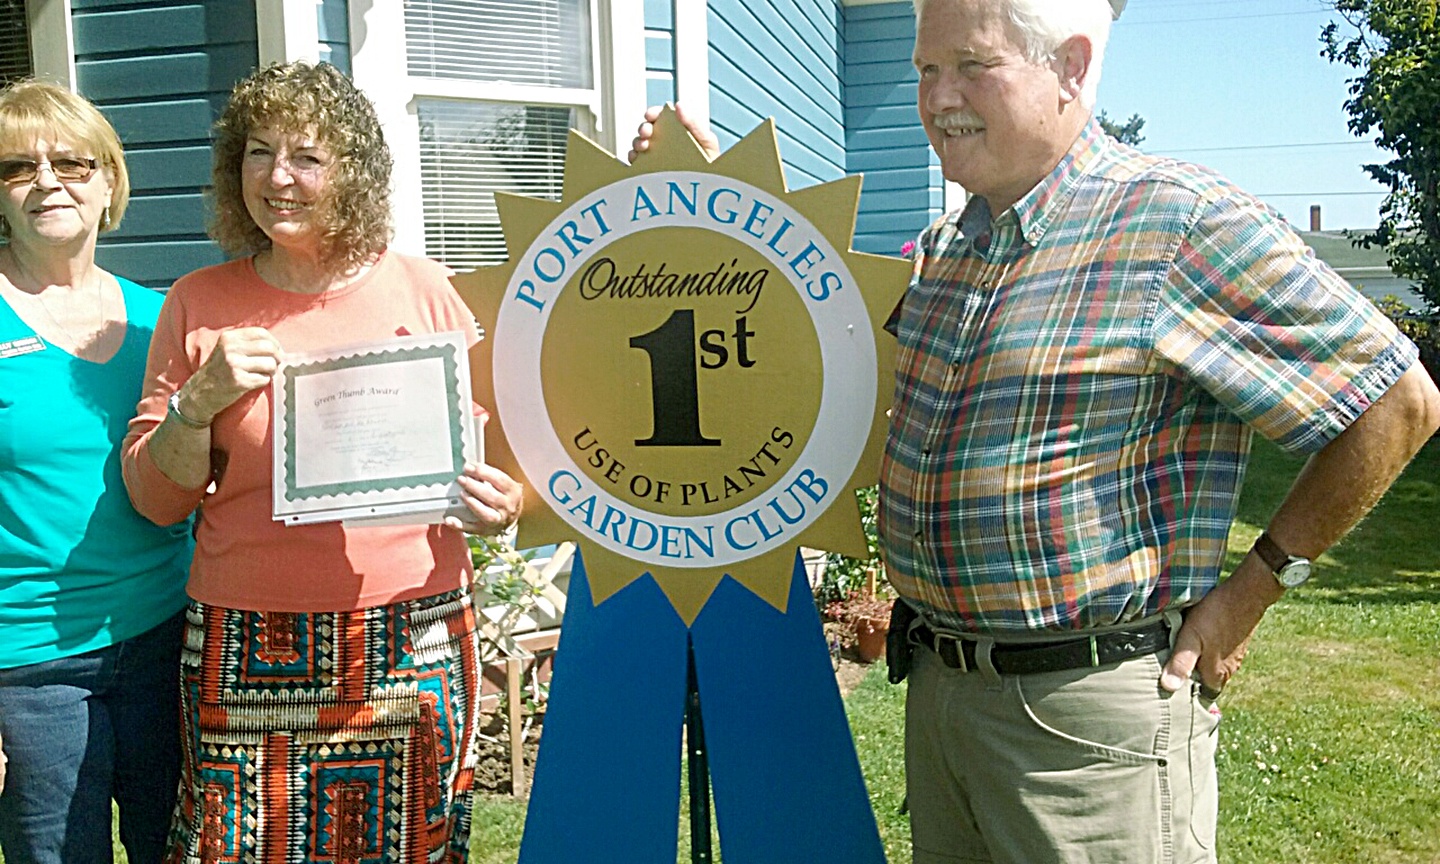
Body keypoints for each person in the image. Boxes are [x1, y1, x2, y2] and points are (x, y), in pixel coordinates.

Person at [632, 0, 1440, 860]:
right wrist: (718, 198)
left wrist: (1249, 596)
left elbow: (1398, 403)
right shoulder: (947, 249)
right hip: (941, 694)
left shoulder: (1176, 224)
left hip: (1084, 729)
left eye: (971, 65)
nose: (938, 97)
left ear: (1072, 66)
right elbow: (811, 340)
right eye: (923, 70)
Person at [120, 61, 523, 864]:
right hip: (248, 638)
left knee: (410, 844)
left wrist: (500, 503)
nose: (278, 178)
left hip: (414, 626)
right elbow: (155, 500)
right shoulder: (199, 302)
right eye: (258, 152)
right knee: (235, 846)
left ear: (354, 171)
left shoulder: (426, 287)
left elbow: (497, 456)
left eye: (306, 155)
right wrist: (197, 403)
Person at [0, 80, 192, 864]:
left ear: (109, 180)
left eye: (73, 162)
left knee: (176, 849)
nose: (48, 180)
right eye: (17, 166)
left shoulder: (163, 317)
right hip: (29, 670)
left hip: (168, 643)